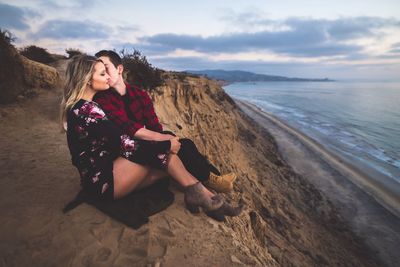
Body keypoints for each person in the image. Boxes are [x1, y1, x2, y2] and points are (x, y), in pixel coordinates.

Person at [61, 55, 242, 220]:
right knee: (166, 155)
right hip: (102, 181)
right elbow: (125, 144)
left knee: (171, 168)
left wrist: (162, 143)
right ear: (86, 80)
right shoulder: (86, 110)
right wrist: (164, 146)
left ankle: (206, 198)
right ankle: (204, 197)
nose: (107, 76)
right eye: (102, 74)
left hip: (107, 171)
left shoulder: (86, 106)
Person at [92, 50, 236, 193]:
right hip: (125, 148)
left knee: (183, 143)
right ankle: (212, 180)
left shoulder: (139, 94)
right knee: (175, 142)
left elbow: (154, 126)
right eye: (100, 71)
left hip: (142, 139)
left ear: (119, 69)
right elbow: (127, 128)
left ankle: (214, 177)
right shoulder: (102, 99)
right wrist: (163, 140)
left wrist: (165, 139)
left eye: (106, 68)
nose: (104, 74)